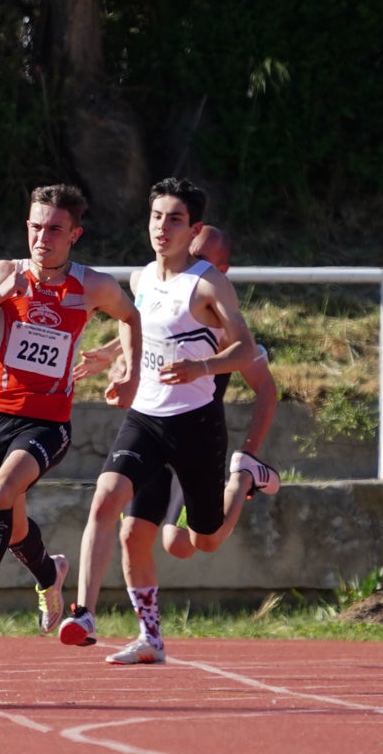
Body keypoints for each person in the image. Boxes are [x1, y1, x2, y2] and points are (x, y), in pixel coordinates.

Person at [58, 178, 277, 665]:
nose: (162, 227)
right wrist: (118, 363)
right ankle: (92, 616)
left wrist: (200, 368)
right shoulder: (139, 279)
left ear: (192, 229)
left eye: (175, 219)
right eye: (157, 216)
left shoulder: (208, 284)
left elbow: (243, 348)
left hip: (196, 426)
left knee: (202, 540)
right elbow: (139, 322)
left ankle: (243, 479)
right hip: (147, 419)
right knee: (114, 511)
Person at [0, 183, 141, 650]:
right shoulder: (2, 272)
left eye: (54, 229)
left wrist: (124, 365)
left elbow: (135, 317)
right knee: (10, 524)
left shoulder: (92, 285)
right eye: (35, 226)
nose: (42, 237)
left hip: (47, 424)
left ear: (75, 234)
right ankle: (49, 572)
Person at [72, 224, 280, 560]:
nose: (188, 263)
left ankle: (244, 478)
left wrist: (248, 453)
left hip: (195, 436)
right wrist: (114, 356)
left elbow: (267, 390)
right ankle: (108, 612)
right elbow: (149, 328)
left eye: (199, 258)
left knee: (189, 544)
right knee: (130, 531)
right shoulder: (165, 289)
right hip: (152, 427)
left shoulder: (225, 323)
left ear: (220, 272)